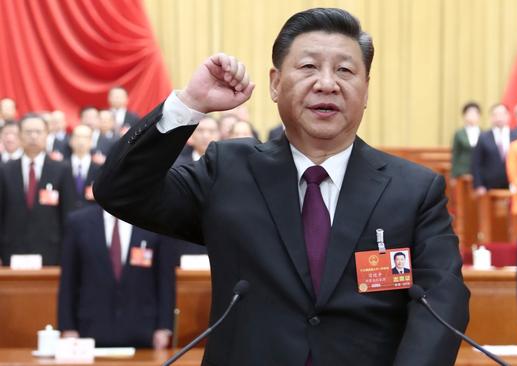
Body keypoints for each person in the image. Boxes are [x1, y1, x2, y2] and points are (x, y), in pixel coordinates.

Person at [93, 8, 469, 366]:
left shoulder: (414, 190)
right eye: (308, 67)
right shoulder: (228, 171)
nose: (327, 83)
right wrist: (190, 104)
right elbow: (121, 191)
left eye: (345, 70)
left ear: (367, 89)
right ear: (275, 84)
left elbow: (443, 301)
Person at [58, 204, 175, 348]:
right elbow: (68, 281)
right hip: (89, 333)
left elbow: (165, 281)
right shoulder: (78, 222)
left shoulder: (154, 222)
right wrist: (68, 327)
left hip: (143, 333)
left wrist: (164, 327)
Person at [0, 114, 76, 265]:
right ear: (20, 135)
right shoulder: (4, 170)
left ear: (47, 135)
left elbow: (68, 214)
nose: (33, 136)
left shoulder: (62, 169)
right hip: (12, 250)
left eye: (38, 132)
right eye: (28, 132)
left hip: (51, 251)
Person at [471, 103, 515, 195]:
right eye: (496, 115)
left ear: (508, 116)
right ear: (491, 118)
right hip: (489, 186)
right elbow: (476, 163)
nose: (499, 118)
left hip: (513, 184)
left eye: (502, 114)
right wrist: (478, 185)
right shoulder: (483, 137)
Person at [68, 125, 101, 209]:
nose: (81, 141)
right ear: (71, 140)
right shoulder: (62, 167)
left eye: (85, 137)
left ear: (91, 141)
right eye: (77, 137)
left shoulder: (100, 170)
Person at [450, 102, 481, 178]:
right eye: (469, 113)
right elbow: (455, 154)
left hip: (480, 171)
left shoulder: (484, 133)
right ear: (464, 115)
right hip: (463, 171)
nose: (472, 116)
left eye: (475, 113)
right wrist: (453, 175)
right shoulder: (459, 133)